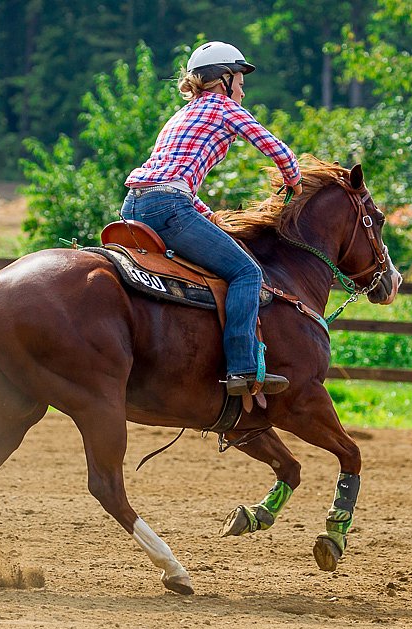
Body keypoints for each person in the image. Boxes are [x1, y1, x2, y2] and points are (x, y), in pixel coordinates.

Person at [122, 41, 303, 397]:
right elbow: (275, 148)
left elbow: (175, 177)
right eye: (240, 79)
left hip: (133, 206)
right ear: (224, 79)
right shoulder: (224, 108)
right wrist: (293, 178)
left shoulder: (182, 113)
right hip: (169, 206)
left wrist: (208, 217)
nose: (243, 87)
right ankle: (242, 367)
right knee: (247, 272)